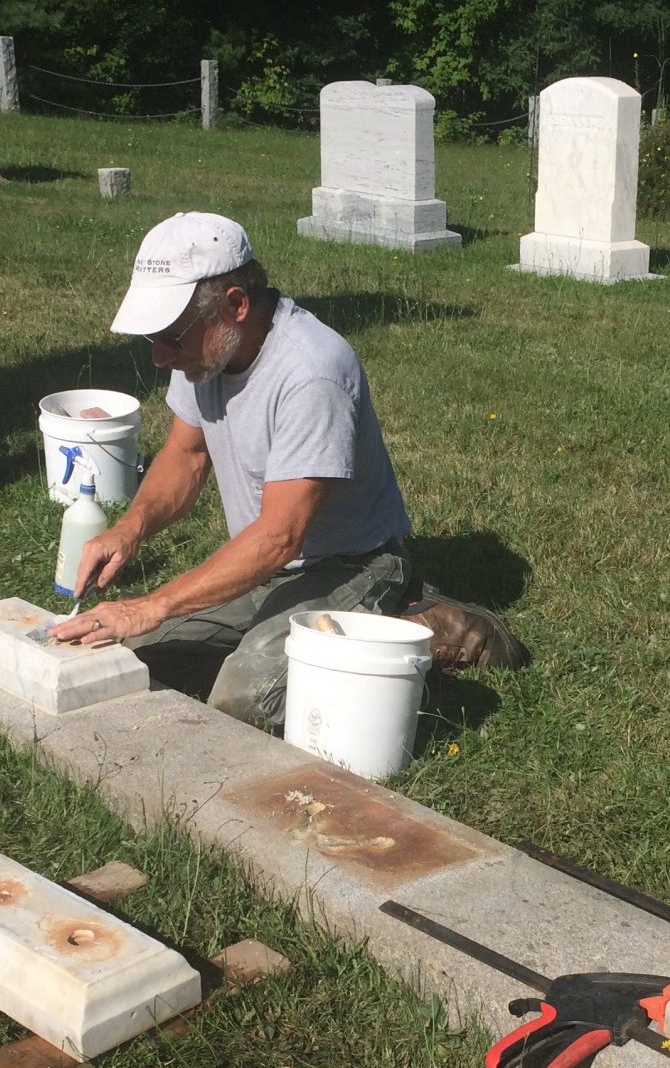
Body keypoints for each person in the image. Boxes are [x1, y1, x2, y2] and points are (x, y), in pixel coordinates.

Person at [50, 212, 523, 726]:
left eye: (173, 336)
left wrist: (152, 605)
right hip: (261, 566)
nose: (161, 356)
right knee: (128, 651)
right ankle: (342, 636)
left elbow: (280, 537)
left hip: (348, 564)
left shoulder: (311, 372)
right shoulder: (201, 352)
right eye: (154, 338)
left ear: (235, 304)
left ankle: (421, 626)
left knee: (243, 700)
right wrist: (129, 529)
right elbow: (185, 456)